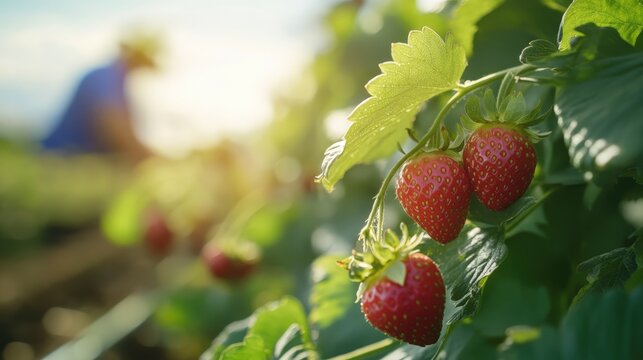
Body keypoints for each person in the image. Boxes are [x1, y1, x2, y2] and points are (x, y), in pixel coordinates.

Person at [41, 29, 162, 163]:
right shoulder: (106, 78)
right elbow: (115, 127)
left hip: (78, 157)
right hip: (64, 156)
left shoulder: (113, 79)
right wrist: (150, 157)